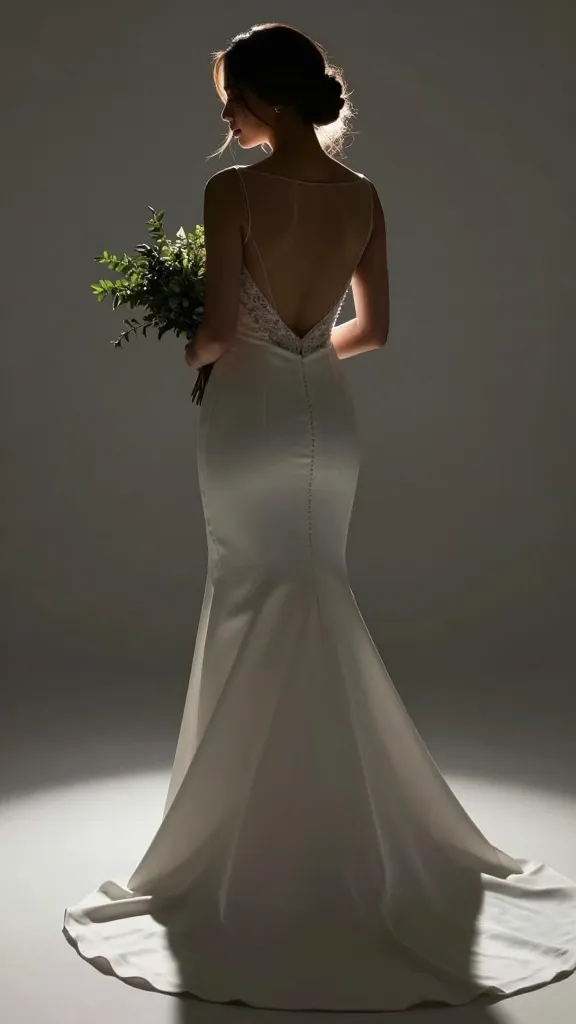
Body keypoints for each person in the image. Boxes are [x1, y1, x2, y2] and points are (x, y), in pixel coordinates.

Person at [63, 22, 576, 1011]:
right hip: (326, 422)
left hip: (250, 420)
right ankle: (332, 823)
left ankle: (249, 840)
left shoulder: (232, 192)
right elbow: (371, 329)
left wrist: (208, 358)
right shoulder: (364, 198)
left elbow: (216, 328)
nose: (225, 118)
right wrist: (301, 361)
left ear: (268, 98)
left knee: (253, 594)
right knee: (313, 592)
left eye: (231, 98)